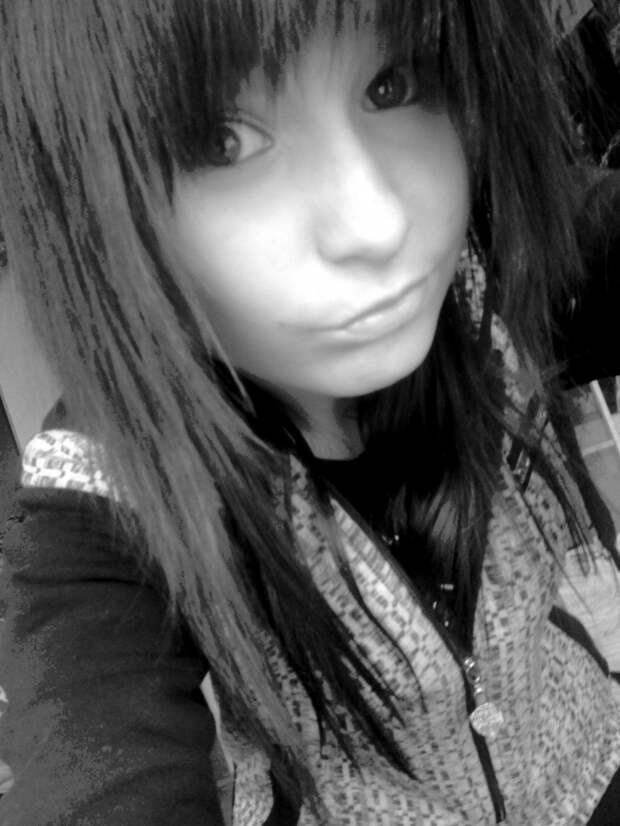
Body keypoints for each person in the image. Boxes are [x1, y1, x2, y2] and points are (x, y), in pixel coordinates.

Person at [0, 1, 619, 824]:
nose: (379, 221)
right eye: (223, 141)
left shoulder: (496, 277)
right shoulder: (106, 491)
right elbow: (91, 753)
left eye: (392, 83)